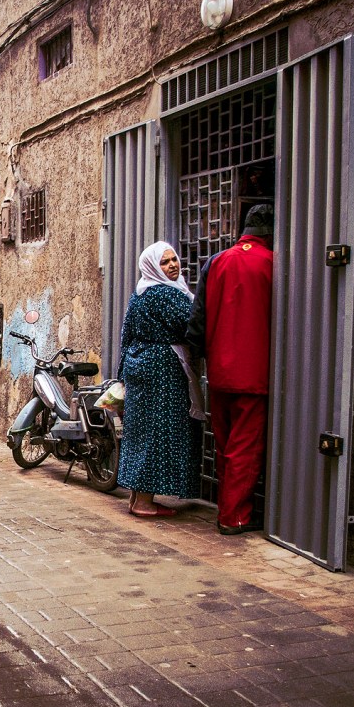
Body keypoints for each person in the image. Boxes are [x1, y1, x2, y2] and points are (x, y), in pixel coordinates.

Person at [187, 204, 274, 535]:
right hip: (255, 372)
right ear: (270, 233)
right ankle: (234, 516)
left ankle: (226, 508)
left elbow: (198, 318)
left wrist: (198, 357)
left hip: (219, 372)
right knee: (245, 448)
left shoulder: (216, 261)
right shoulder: (274, 264)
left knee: (224, 447)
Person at [117, 241, 202, 517]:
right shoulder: (167, 295)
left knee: (141, 431)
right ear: (154, 266)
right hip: (162, 370)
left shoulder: (140, 293)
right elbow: (192, 325)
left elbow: (125, 334)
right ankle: (144, 503)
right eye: (165, 262)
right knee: (159, 431)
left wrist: (123, 373)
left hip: (138, 365)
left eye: (174, 260)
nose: (173, 265)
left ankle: (136, 497)